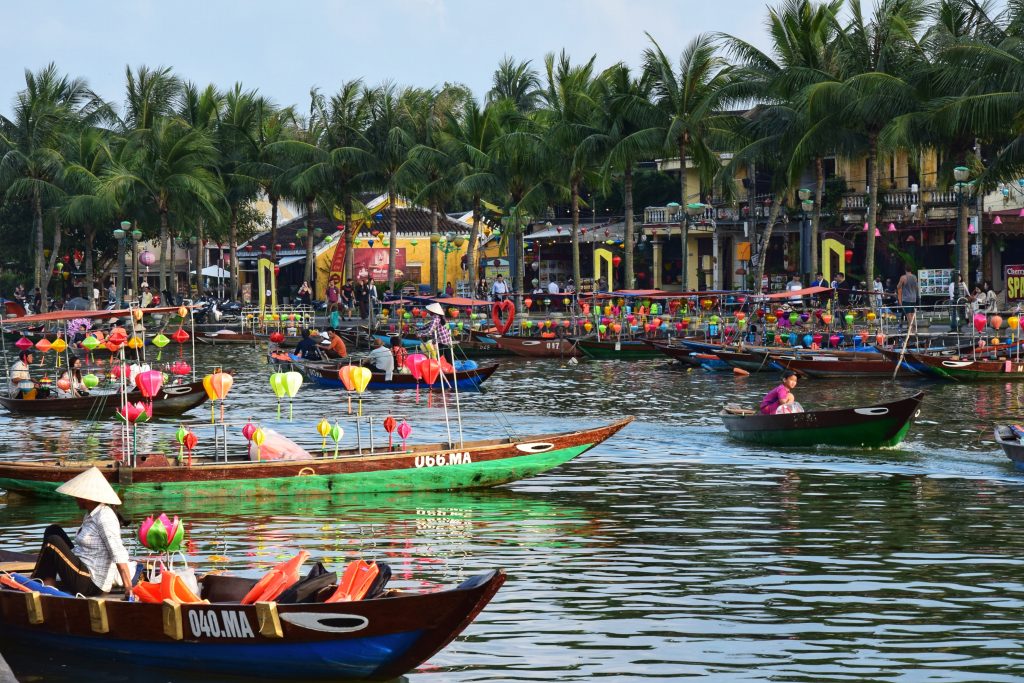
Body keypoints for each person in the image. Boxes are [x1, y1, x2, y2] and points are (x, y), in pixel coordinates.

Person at [31, 467, 134, 599]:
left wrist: (128, 587)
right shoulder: (91, 513)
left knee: (53, 541)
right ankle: (47, 581)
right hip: (81, 568)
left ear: (89, 498)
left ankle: (37, 581)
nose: (75, 498)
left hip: (91, 583)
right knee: (53, 530)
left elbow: (118, 552)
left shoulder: (104, 517)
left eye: (78, 495)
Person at [896, 264, 919, 329]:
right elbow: (916, 287)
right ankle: (910, 328)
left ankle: (912, 326)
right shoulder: (914, 277)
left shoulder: (903, 277)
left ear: (905, 269)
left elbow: (898, 286)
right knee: (912, 313)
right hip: (913, 298)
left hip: (906, 298)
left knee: (908, 314)